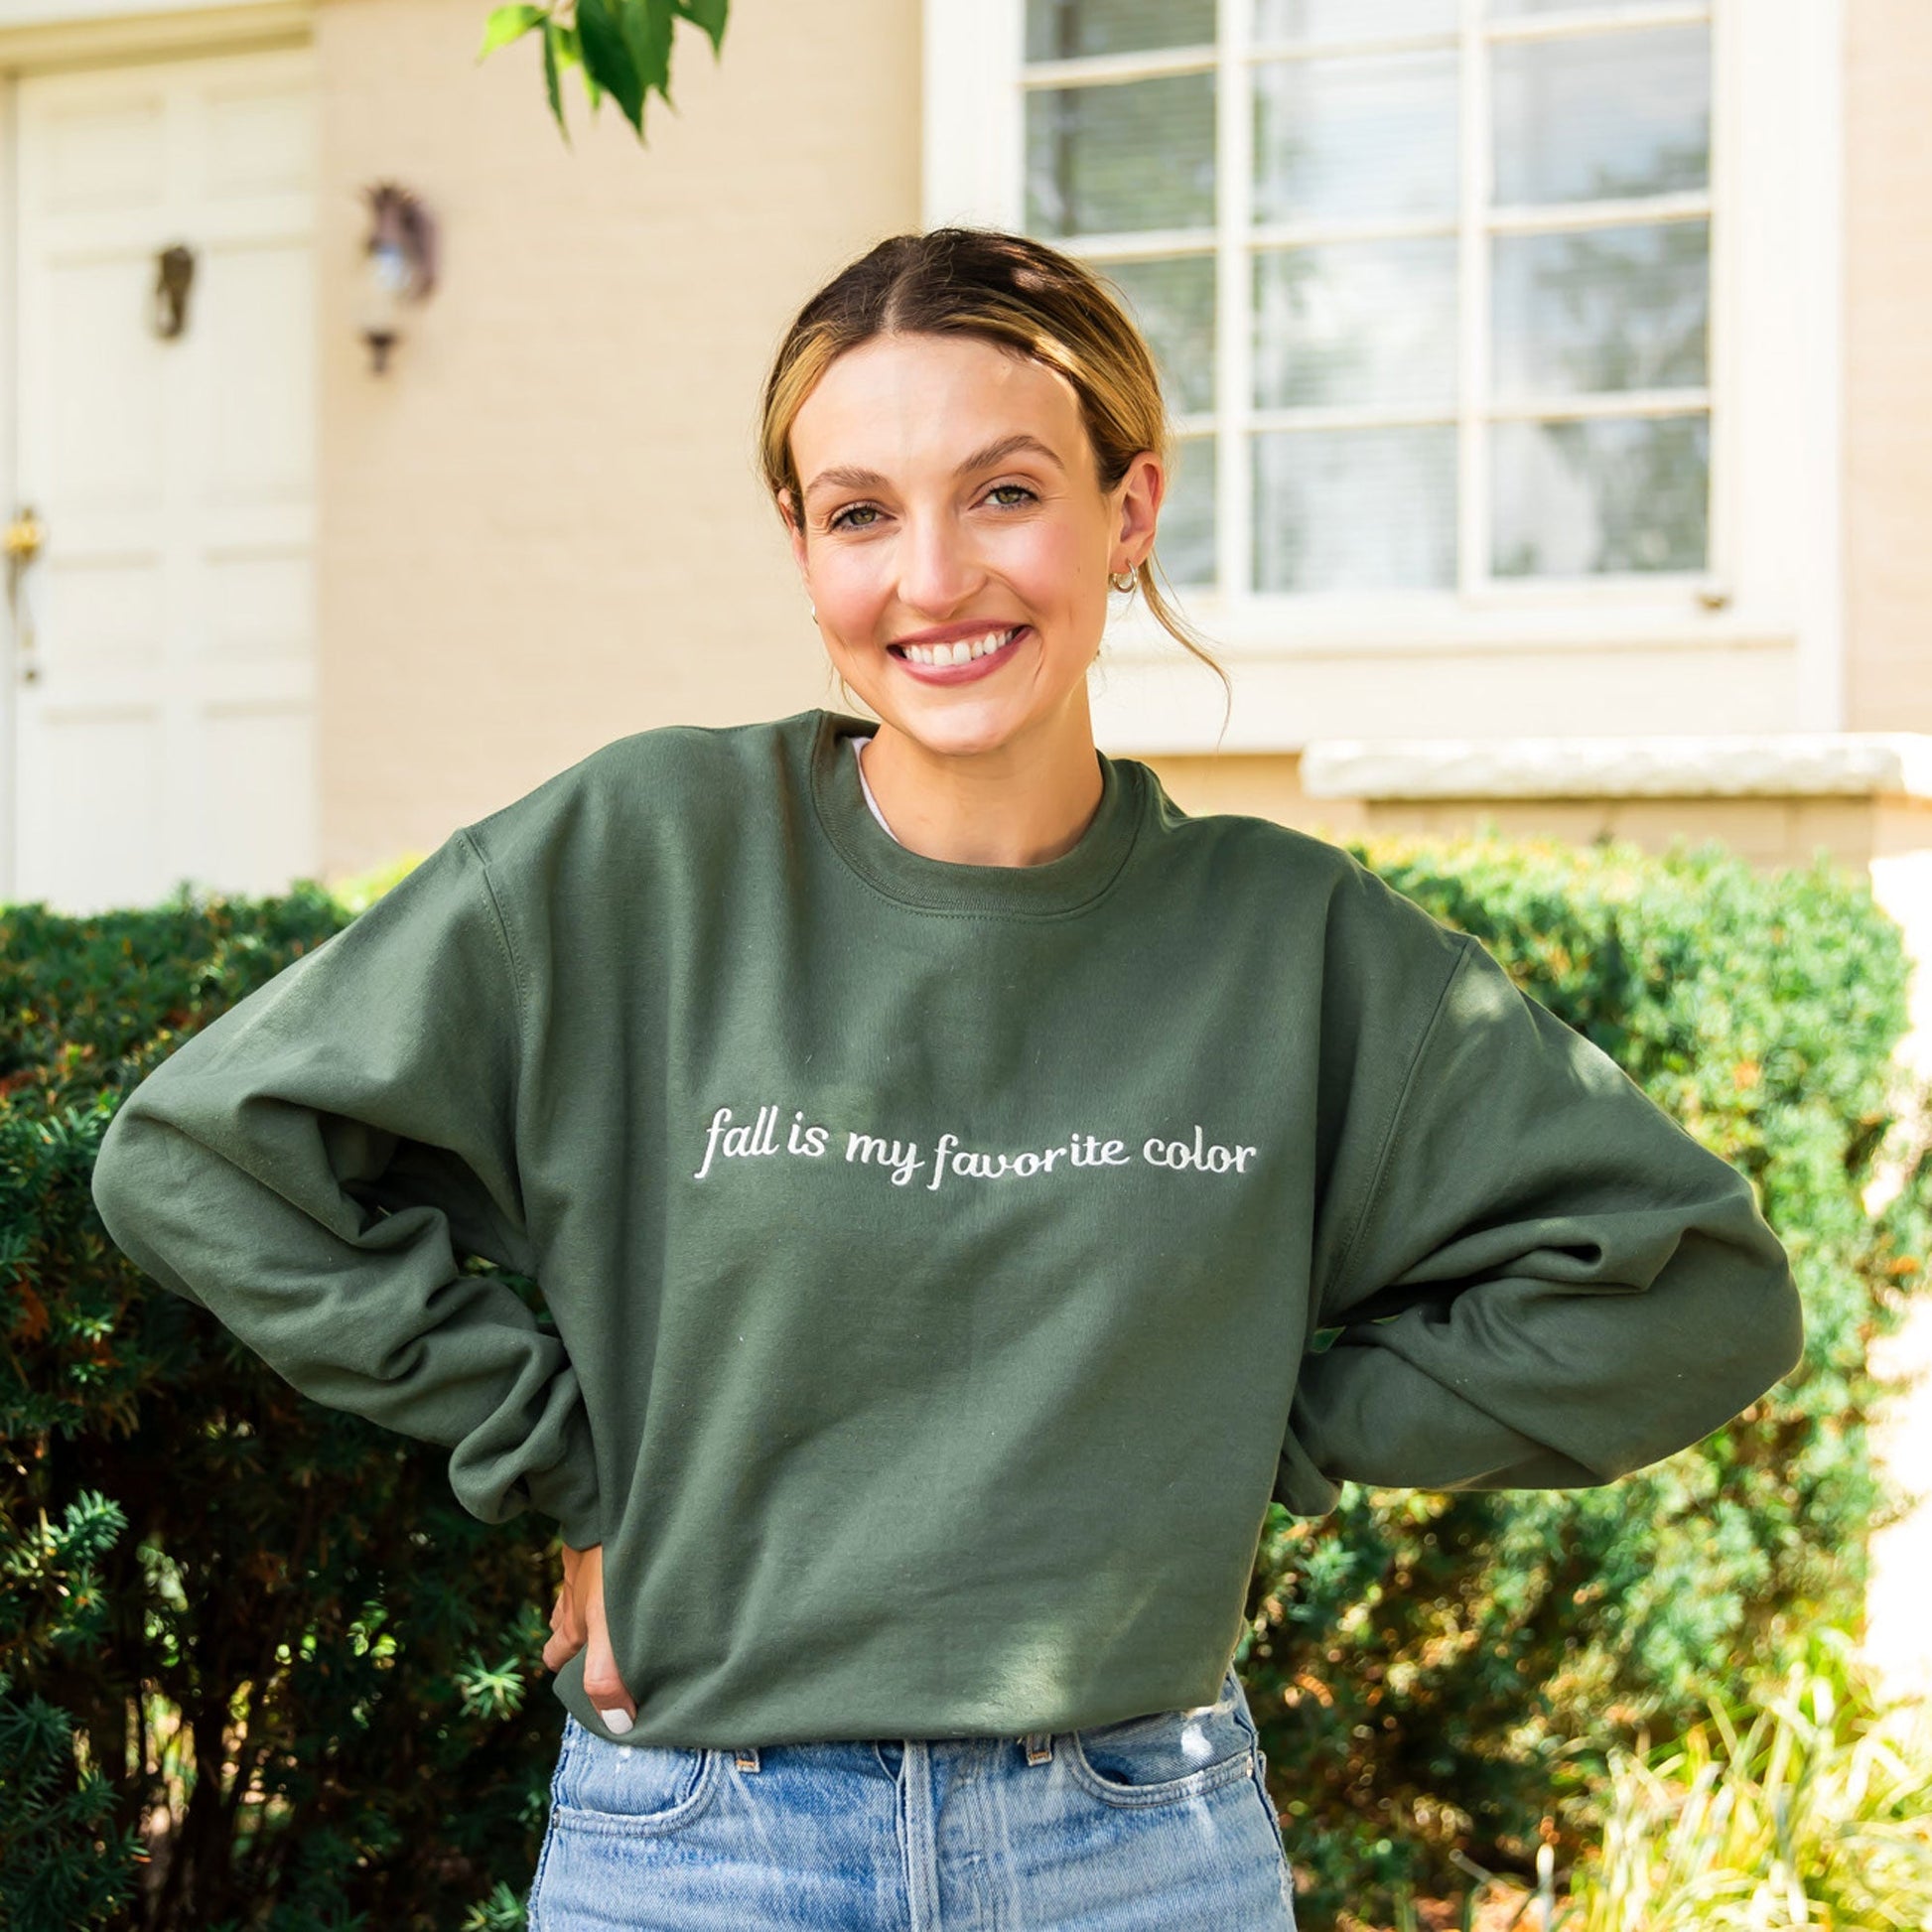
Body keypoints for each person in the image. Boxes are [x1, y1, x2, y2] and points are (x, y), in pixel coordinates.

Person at [87, 224, 1805, 1930]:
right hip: (701, 1839)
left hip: (1135, 1844)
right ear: (800, 544)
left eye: (1002, 492)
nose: (928, 578)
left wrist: (1230, 1420)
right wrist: (575, 1464)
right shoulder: (638, 863)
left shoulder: (1295, 946)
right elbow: (203, 1158)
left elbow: (1691, 1292)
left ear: (1128, 510)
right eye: (858, 513)